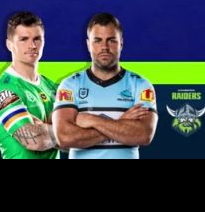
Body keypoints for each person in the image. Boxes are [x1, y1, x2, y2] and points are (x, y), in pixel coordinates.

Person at [52, 13, 157, 158]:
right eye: (97, 40)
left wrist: (92, 120)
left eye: (111, 40)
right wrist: (122, 122)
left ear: (121, 43)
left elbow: (144, 135)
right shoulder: (70, 85)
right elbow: (65, 138)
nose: (104, 47)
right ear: (88, 44)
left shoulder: (140, 84)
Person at [0, 11, 59, 159]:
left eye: (37, 39)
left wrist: (47, 130)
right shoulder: (4, 90)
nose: (32, 45)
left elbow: (79, 135)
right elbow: (34, 141)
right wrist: (65, 132)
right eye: (24, 39)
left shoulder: (51, 86)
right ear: (9, 44)